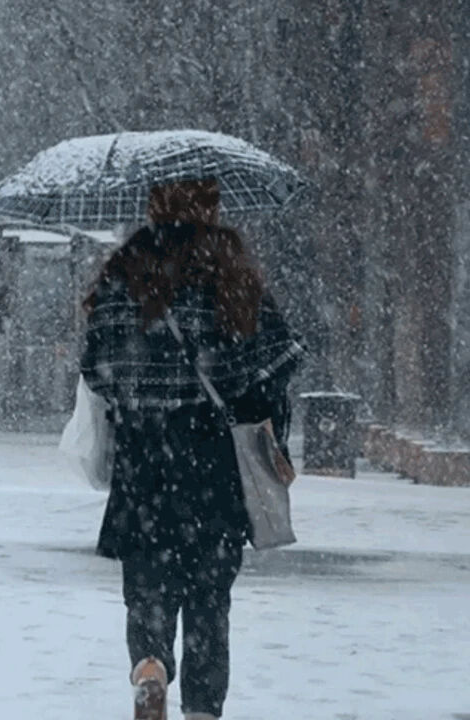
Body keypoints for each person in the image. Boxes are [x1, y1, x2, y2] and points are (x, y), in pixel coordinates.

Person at [79, 179, 305, 720]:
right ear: (211, 208)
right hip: (213, 463)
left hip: (145, 464)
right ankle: (202, 709)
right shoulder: (232, 276)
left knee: (148, 588)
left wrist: (140, 399)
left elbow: (96, 369)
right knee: (209, 602)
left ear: (155, 207)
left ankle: (151, 666)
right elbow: (274, 367)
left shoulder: (123, 275)